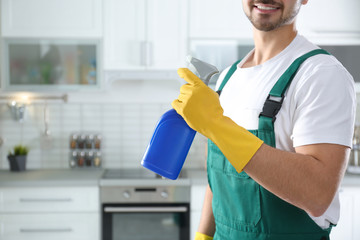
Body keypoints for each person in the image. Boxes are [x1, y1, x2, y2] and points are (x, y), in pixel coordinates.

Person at [172, 0, 356, 239]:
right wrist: (203, 236)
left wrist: (216, 125)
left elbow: (318, 194)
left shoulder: (320, 74)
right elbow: (219, 180)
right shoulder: (228, 78)